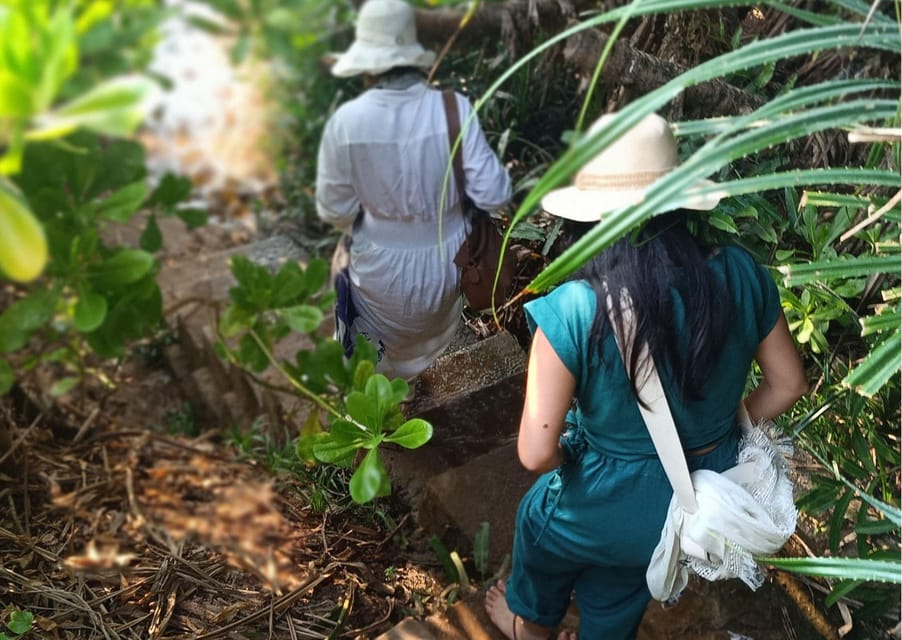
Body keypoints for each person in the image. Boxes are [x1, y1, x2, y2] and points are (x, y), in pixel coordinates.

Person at [484, 111, 808, 640]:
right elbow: (789, 383)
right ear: (678, 199)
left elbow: (536, 453)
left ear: (588, 216)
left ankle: (528, 628)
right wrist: (716, 433)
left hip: (600, 501)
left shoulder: (574, 310)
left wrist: (578, 460)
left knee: (540, 527)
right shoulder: (741, 273)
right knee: (623, 584)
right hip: (687, 501)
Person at [315, 0, 512, 389]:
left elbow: (333, 209)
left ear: (368, 67)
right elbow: (495, 194)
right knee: (422, 342)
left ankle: (376, 393)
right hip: (446, 268)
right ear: (412, 56)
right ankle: (413, 383)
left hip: (377, 269)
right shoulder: (454, 109)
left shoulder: (346, 122)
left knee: (345, 275)